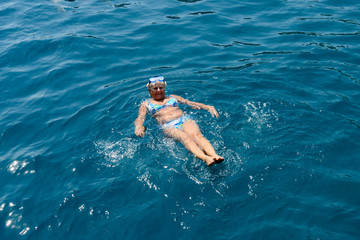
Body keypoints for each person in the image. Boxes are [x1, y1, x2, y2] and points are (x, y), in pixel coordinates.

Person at [134, 76, 224, 166]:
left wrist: (208, 107)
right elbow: (140, 117)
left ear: (164, 88)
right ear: (149, 91)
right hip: (167, 126)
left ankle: (214, 155)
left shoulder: (172, 97)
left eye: (161, 88)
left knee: (197, 136)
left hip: (184, 120)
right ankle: (206, 158)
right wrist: (139, 127)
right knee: (185, 138)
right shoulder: (146, 104)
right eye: (155, 88)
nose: (158, 90)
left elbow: (190, 103)